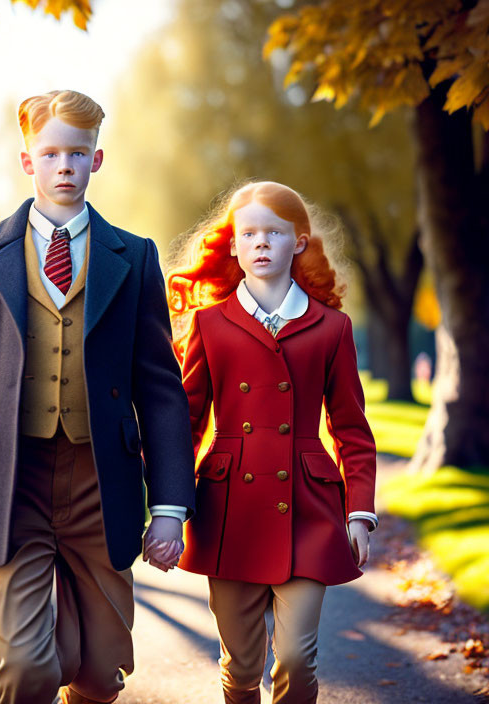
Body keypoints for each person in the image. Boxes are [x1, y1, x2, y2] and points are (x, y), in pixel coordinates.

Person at [0, 90, 194, 704]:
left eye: (77, 152)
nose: (64, 165)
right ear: (27, 162)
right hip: (13, 479)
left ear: (97, 160)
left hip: (103, 482)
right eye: (50, 153)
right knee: (28, 671)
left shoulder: (136, 256)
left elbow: (161, 388)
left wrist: (171, 505)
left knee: (100, 673)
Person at [166, 181, 378, 704]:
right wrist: (167, 504)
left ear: (299, 242)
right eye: (250, 233)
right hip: (230, 507)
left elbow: (351, 427)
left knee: (296, 658)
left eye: (275, 233)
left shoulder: (332, 328)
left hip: (308, 508)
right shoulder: (209, 325)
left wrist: (360, 512)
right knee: (239, 668)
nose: (261, 243)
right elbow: (186, 421)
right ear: (233, 246)